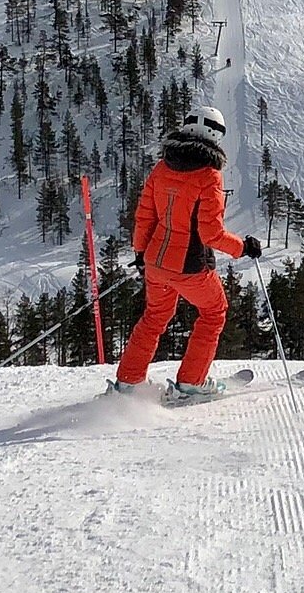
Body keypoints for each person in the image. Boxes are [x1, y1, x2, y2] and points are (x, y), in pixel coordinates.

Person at [111, 108, 262, 394]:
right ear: (217, 136)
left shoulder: (162, 166)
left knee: (153, 319)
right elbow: (211, 234)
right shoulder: (209, 176)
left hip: (155, 262)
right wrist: (242, 247)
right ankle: (191, 382)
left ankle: (128, 382)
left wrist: (141, 254)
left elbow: (145, 216)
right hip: (190, 267)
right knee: (214, 312)